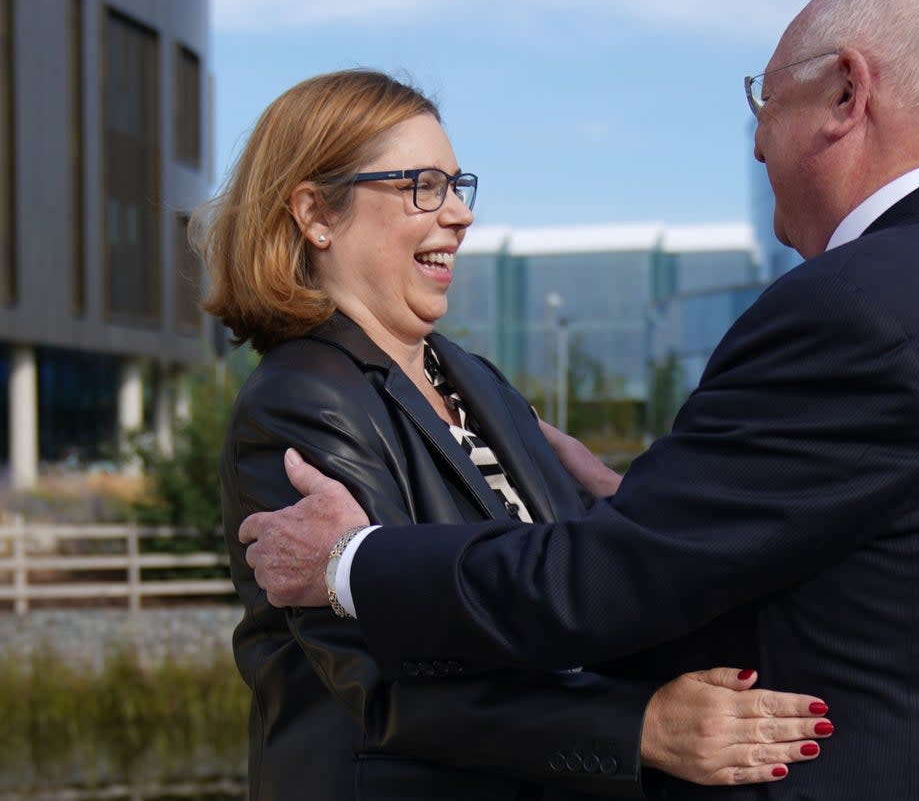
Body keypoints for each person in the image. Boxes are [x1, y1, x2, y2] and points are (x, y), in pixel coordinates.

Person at [241, 0, 919, 800]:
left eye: (765, 101)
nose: (754, 144)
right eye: (422, 186)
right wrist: (640, 707)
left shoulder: (854, 308)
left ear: (848, 93)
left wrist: (346, 563)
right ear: (315, 213)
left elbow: (600, 578)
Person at [207, 70, 835, 801]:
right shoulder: (300, 402)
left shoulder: (472, 379)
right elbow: (380, 680)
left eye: (456, 185)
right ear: (317, 212)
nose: (458, 215)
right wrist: (641, 728)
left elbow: (563, 587)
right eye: (421, 186)